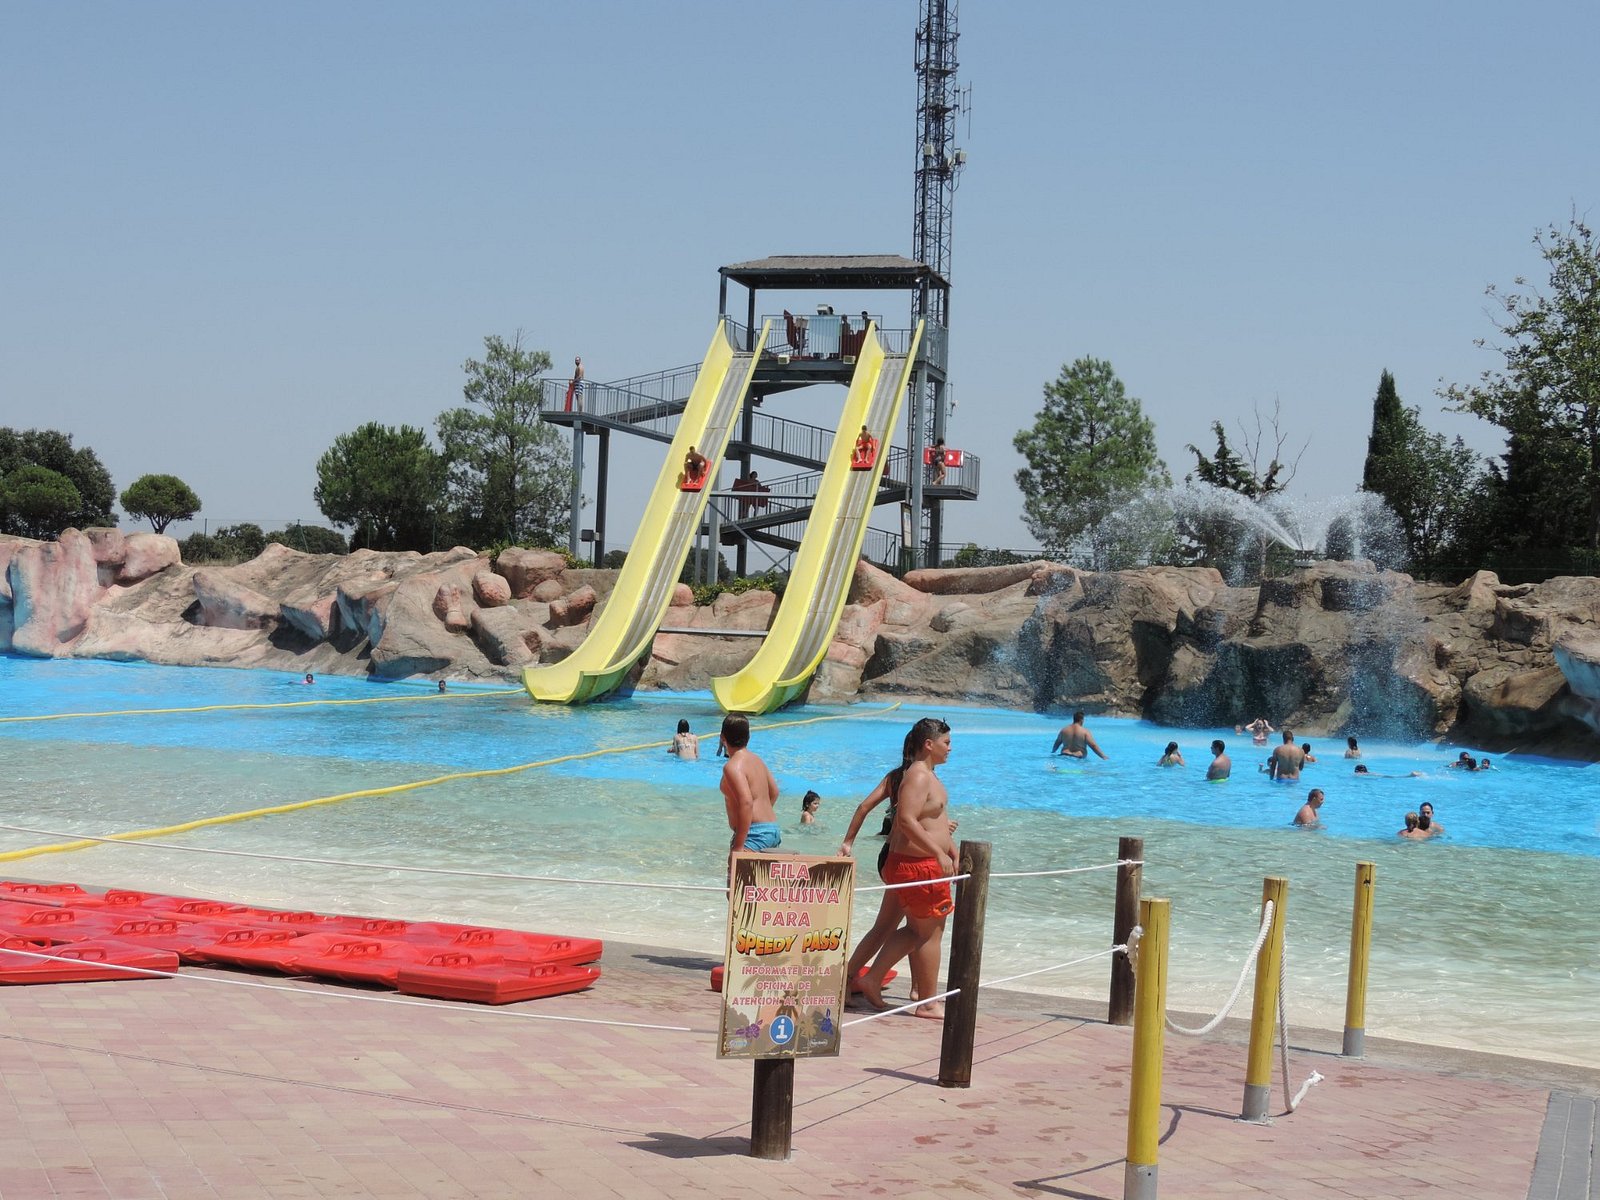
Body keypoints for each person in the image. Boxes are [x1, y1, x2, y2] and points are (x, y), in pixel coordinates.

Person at [856, 717, 957, 1020]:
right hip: (918, 865)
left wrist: (952, 852)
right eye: (946, 742)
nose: (950, 748)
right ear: (929, 744)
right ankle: (927, 1002)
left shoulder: (929, 775)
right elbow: (906, 820)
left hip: (922, 864)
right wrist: (937, 852)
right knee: (928, 934)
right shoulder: (918, 776)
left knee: (919, 931)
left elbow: (935, 821)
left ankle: (874, 979)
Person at [720, 713, 780, 860]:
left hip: (754, 834)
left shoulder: (732, 766)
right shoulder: (757, 760)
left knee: (736, 874)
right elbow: (774, 792)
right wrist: (763, 818)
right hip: (771, 829)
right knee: (759, 876)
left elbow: (746, 802)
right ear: (748, 737)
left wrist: (739, 845)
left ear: (722, 737)